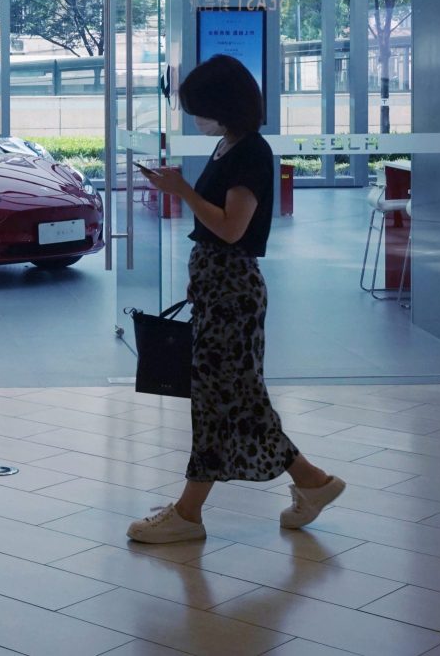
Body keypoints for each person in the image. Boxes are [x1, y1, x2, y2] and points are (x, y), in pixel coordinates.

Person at [126, 54, 344, 544]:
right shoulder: (228, 146)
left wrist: (180, 189)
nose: (196, 119)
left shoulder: (249, 153)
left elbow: (230, 227)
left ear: (225, 106)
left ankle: (188, 513)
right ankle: (314, 483)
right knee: (239, 399)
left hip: (232, 291)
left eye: (202, 109)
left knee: (216, 401)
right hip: (217, 286)